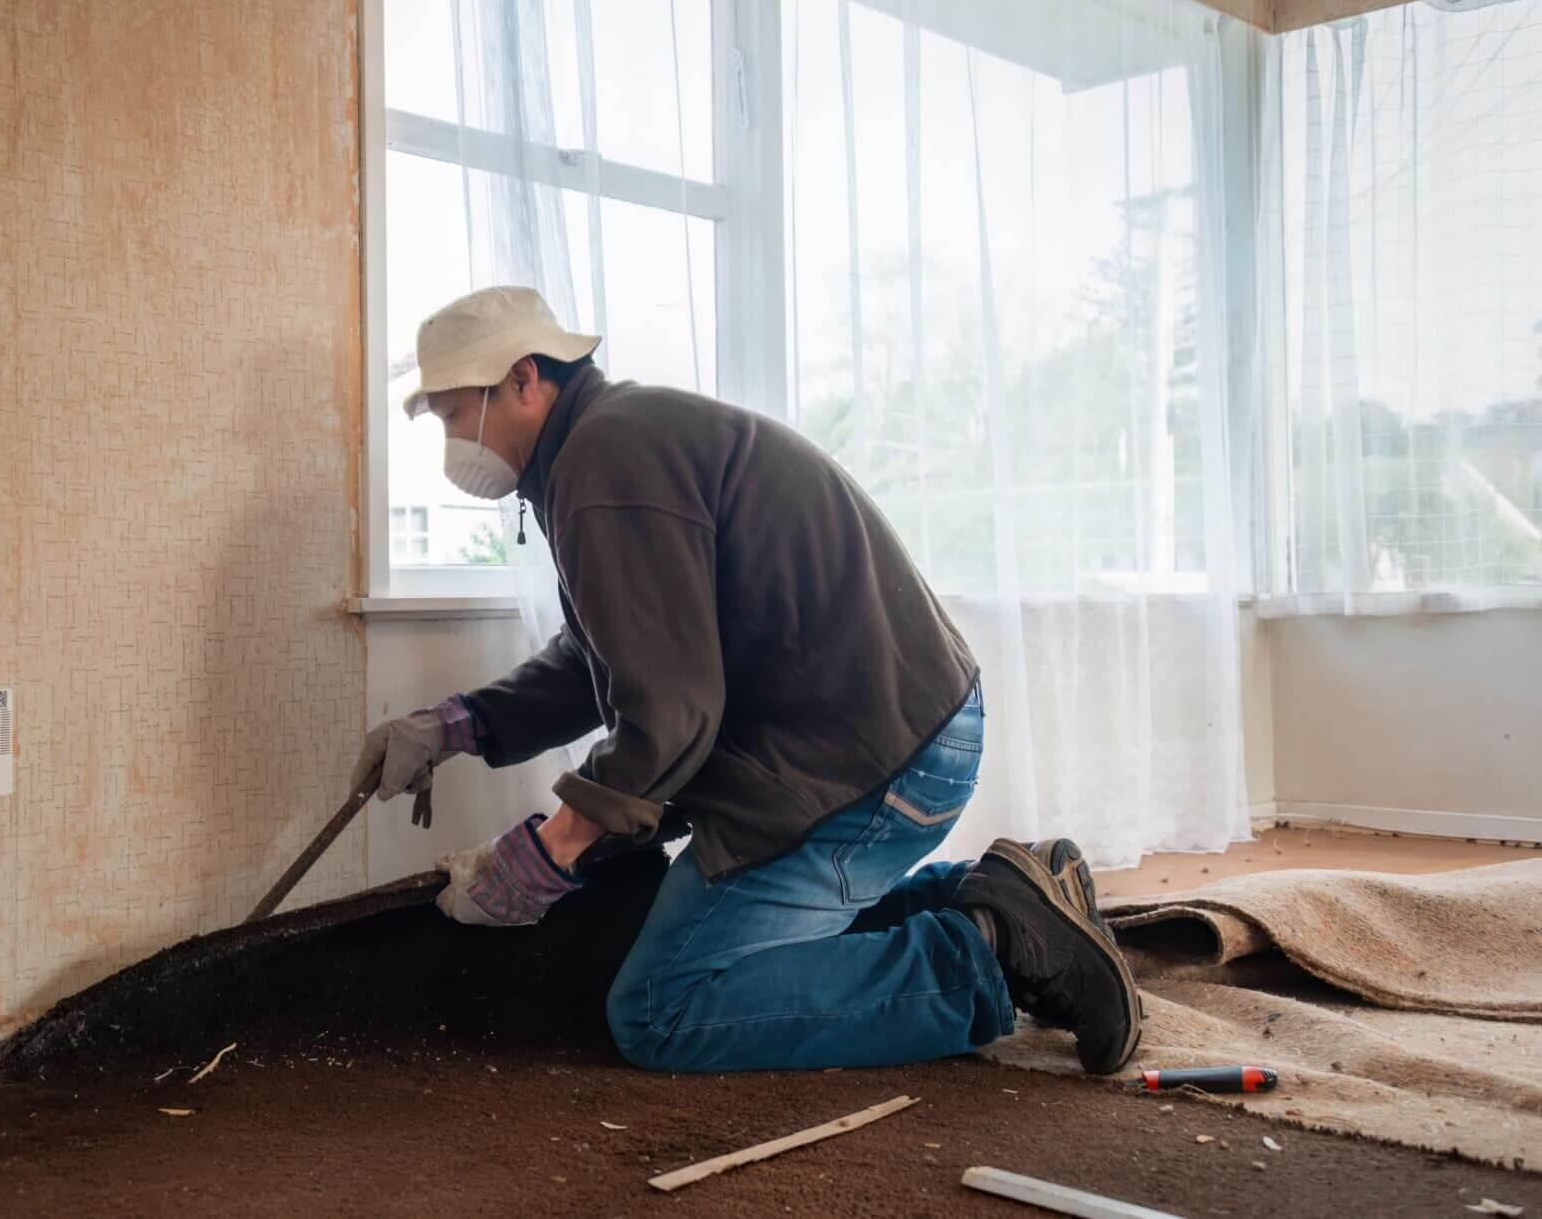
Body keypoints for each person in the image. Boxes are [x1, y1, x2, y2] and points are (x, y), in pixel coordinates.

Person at [353, 285, 1141, 1075]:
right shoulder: (611, 443)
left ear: (524, 379)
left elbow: (670, 707)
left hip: (865, 765)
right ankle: (1003, 896)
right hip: (895, 734)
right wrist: (461, 724)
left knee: (662, 1006)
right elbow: (614, 652)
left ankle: (991, 953)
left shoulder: (604, 460)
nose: (455, 442)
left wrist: (551, 849)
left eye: (457, 414)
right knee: (704, 945)